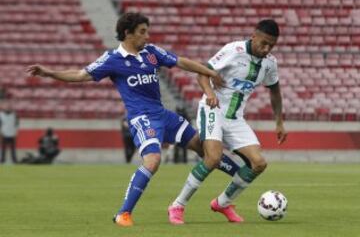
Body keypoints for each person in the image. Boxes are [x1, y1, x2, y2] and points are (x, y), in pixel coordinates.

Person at [26, 12, 241, 227]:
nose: (147, 36)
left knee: (208, 151)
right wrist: (50, 73)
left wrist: (210, 73)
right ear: (128, 33)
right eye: (142, 32)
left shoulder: (152, 53)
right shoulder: (112, 60)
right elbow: (80, 75)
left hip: (163, 115)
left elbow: (182, 62)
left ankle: (242, 177)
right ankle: (123, 214)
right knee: (153, 160)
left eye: (147, 31)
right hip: (142, 118)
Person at [168, 19, 288, 224]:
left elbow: (275, 91)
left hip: (235, 118)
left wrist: (279, 122)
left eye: (271, 45)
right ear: (254, 35)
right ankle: (177, 205)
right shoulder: (234, 50)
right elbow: (202, 73)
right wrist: (209, 93)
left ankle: (222, 203)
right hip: (213, 109)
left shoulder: (270, 63)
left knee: (259, 163)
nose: (266, 48)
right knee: (213, 158)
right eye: (264, 43)